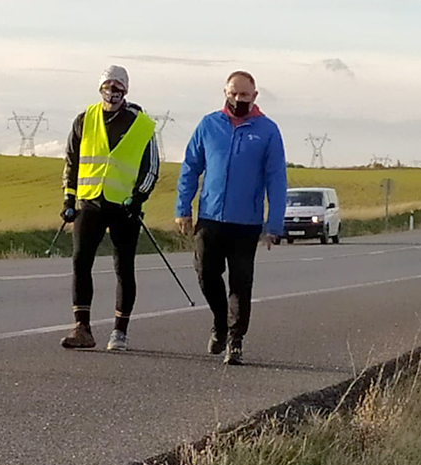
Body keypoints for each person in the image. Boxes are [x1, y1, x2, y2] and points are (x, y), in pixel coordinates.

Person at [175, 71, 287, 365]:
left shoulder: (267, 131)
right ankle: (220, 321)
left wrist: (273, 224)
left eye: (245, 95)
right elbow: (190, 167)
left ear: (254, 96)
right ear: (225, 93)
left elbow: (277, 179)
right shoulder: (209, 125)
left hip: (246, 223)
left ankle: (235, 341)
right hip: (210, 217)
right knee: (206, 273)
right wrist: (183, 208)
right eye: (234, 94)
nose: (239, 99)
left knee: (241, 283)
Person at [60, 65, 159, 352]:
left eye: (118, 86)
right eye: (108, 85)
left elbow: (151, 167)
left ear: (126, 90)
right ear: (100, 87)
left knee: (123, 268)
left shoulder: (142, 124)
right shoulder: (84, 119)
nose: (112, 90)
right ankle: (82, 328)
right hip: (90, 202)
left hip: (124, 208)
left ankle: (120, 332)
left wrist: (139, 198)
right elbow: (71, 162)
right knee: (80, 261)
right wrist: (68, 200)